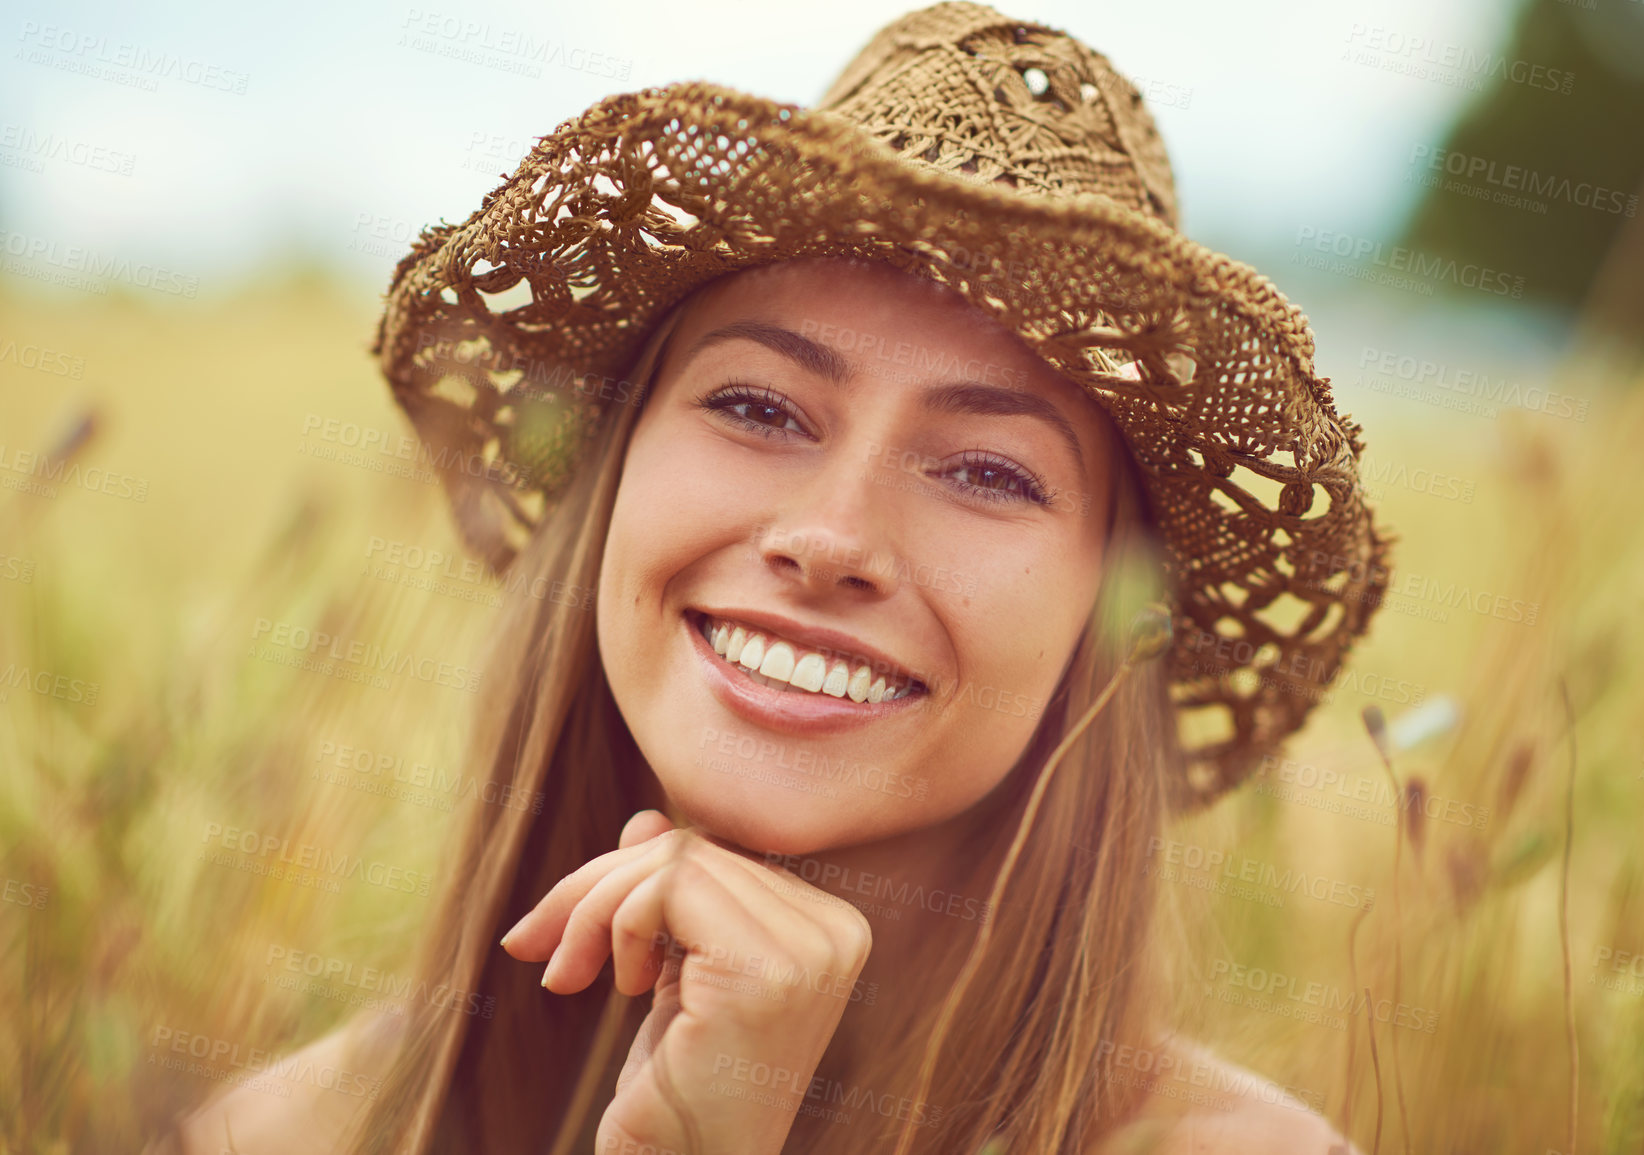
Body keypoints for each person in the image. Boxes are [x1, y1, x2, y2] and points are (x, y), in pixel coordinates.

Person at [170, 4, 1388, 1152]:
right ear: (614, 476)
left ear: (1113, 620)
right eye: (757, 406)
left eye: (989, 473)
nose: (832, 537)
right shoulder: (293, 1131)